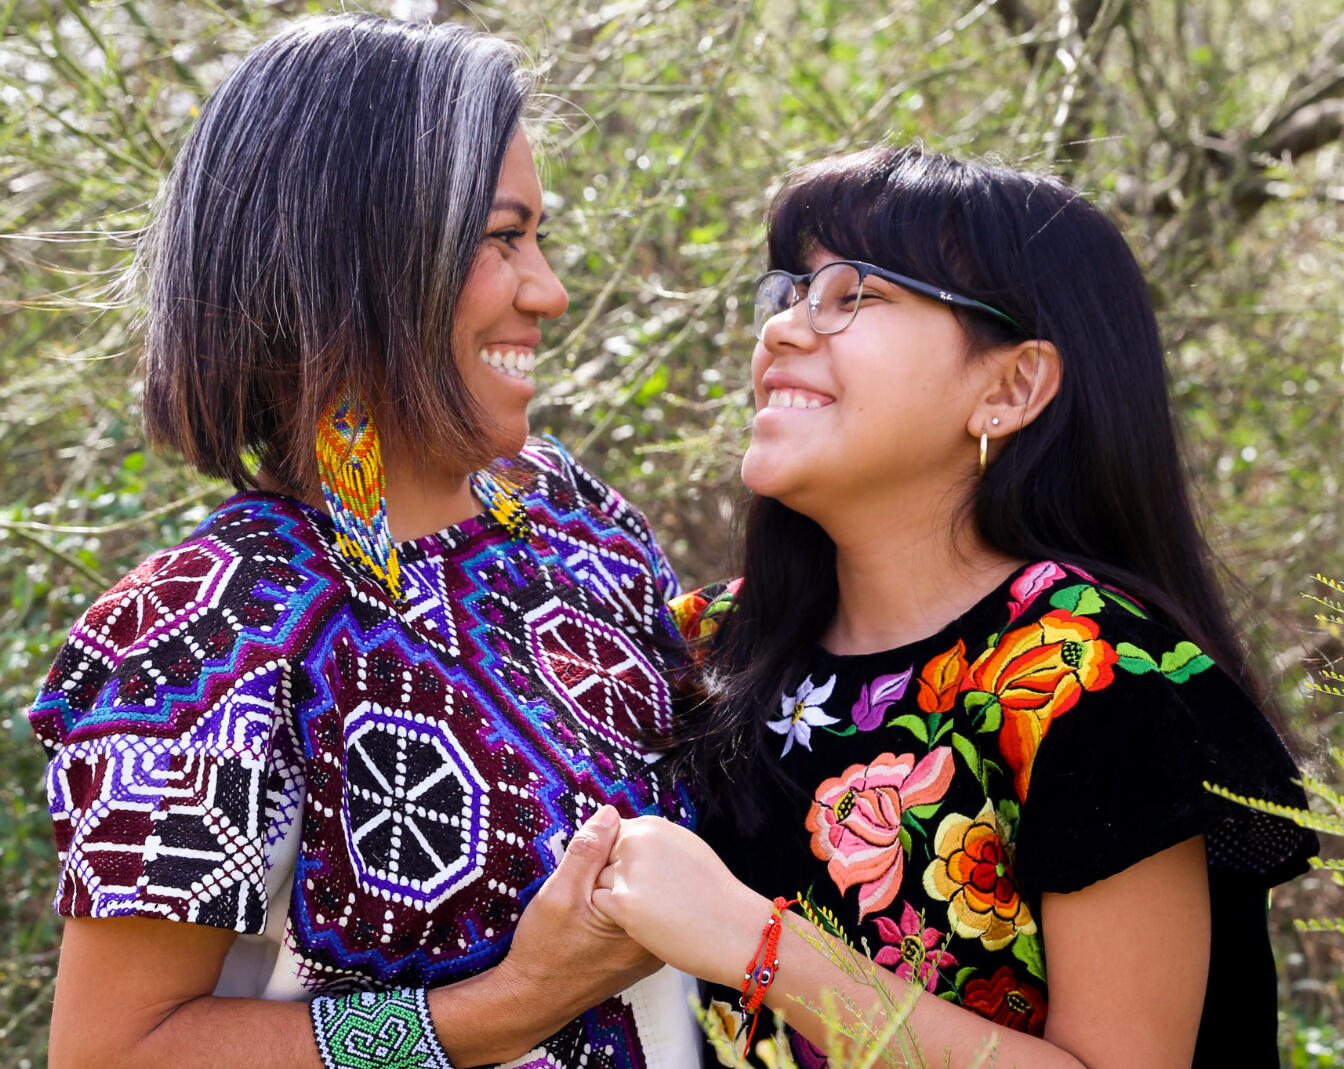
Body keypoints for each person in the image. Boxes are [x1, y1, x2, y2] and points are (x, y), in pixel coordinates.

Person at [28, 15, 700, 1069]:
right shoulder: (211, 632)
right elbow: (116, 1054)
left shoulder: (573, 518)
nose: (551, 290)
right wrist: (497, 1010)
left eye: (540, 237)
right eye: (502, 237)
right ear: (366, 261)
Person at [588, 145, 1317, 1069]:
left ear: (1008, 387)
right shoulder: (699, 647)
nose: (781, 331)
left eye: (855, 293)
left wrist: (758, 943)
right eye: (791, 291)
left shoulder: (1089, 674)